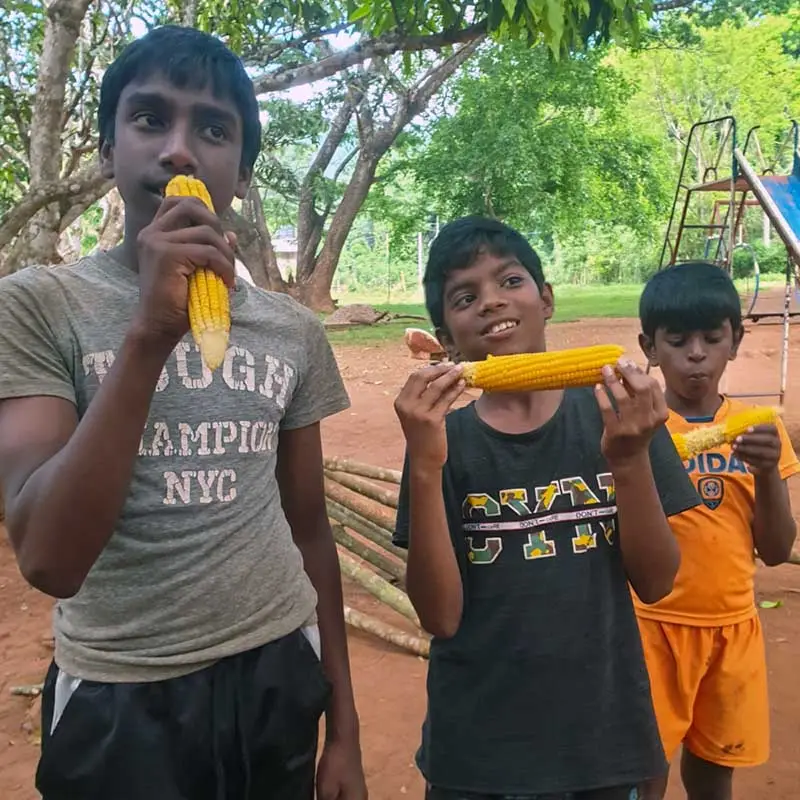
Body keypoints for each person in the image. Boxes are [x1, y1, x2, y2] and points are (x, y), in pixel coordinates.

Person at [0, 25, 367, 800]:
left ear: (240, 169)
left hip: (276, 669)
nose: (178, 150)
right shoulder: (39, 307)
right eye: (147, 119)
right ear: (107, 150)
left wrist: (348, 731)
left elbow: (308, 529)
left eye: (212, 128)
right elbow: (49, 559)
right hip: (120, 695)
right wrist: (150, 333)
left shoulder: (291, 329)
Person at [391, 215, 702, 800]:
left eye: (509, 281)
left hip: (600, 743)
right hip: (476, 752)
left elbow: (658, 582)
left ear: (547, 299)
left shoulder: (616, 415)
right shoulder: (442, 442)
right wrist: (427, 465)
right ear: (446, 337)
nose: (490, 302)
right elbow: (440, 617)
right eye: (465, 297)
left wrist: (629, 459)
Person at [635, 261, 799, 800]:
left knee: (713, 773)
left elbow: (775, 551)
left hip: (732, 630)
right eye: (678, 340)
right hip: (651, 628)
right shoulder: (637, 430)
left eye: (712, 338)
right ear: (650, 347)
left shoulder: (759, 430)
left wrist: (768, 471)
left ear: (735, 340)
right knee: (642, 771)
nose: (696, 353)